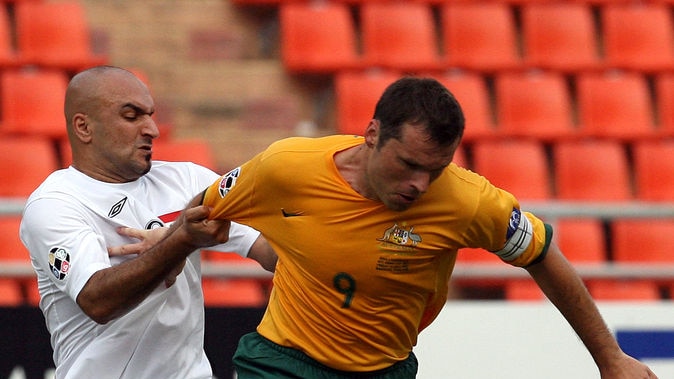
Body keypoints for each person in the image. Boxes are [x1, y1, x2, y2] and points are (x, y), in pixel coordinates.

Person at [179, 76, 657, 378]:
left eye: (436, 169)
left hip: (387, 369)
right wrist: (169, 242)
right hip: (282, 361)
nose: (419, 184)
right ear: (371, 134)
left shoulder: (468, 201)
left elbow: (544, 257)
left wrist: (610, 359)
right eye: (408, 164)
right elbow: (204, 210)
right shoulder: (287, 167)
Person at [19, 65, 276, 379]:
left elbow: (271, 251)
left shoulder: (188, 180)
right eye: (131, 116)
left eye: (151, 115)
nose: (152, 129)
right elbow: (98, 301)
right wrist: (179, 241)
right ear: (84, 128)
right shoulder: (56, 203)